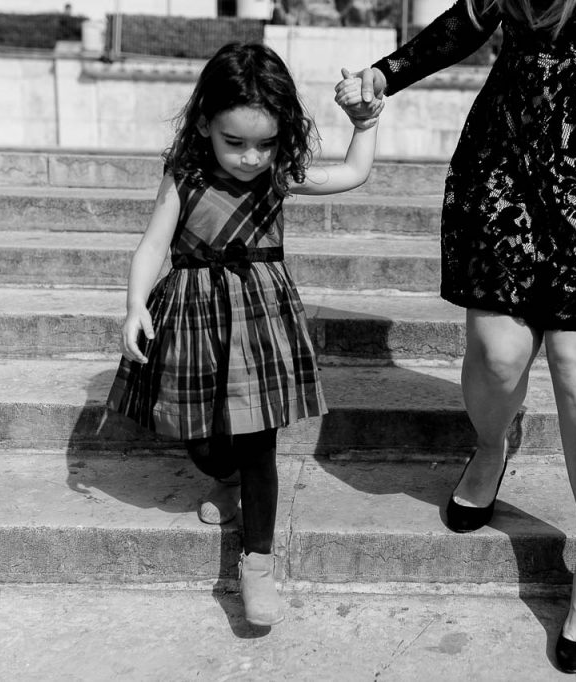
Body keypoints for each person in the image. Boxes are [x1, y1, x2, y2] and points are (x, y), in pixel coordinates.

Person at [335, 0, 576, 673]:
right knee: (497, 352)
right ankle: (492, 445)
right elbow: (472, 15)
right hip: (503, 160)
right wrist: (384, 74)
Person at [107, 43, 382, 627]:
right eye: (235, 142)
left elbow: (354, 174)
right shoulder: (182, 177)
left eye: (266, 142)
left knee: (260, 442)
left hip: (260, 317)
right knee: (202, 440)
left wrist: (364, 125)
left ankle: (257, 562)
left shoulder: (278, 175)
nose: (251, 157)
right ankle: (222, 477)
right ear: (205, 124)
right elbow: (153, 244)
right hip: (192, 314)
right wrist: (135, 304)